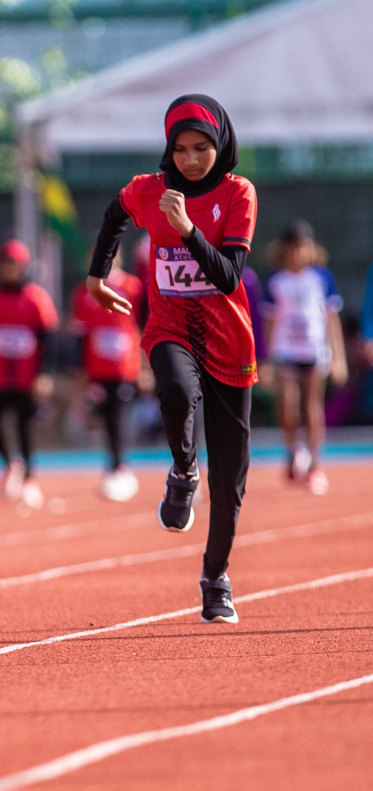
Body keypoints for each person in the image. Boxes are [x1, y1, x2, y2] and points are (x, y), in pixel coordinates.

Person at [87, 94, 257, 625]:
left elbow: (228, 275)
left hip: (230, 339)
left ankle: (215, 578)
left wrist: (187, 229)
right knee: (178, 391)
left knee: (230, 480)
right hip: (170, 327)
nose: (189, 159)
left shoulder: (238, 194)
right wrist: (98, 274)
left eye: (201, 147)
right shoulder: (150, 190)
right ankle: (183, 470)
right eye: (179, 149)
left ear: (220, 144)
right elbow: (116, 213)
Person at [264, 221, 347, 495]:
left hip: (314, 350)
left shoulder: (322, 278)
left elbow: (331, 318)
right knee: (288, 406)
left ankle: (315, 465)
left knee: (312, 408)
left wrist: (338, 358)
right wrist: (265, 359)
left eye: (304, 247)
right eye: (294, 248)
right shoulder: (277, 281)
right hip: (285, 351)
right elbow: (270, 321)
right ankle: (292, 449)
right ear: (285, 250)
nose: (299, 253)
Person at [0, 240, 59, 510]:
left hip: (27, 379)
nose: (9, 270)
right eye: (4, 265)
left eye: (14, 265)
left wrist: (44, 374)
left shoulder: (36, 298)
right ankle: (8, 463)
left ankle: (29, 480)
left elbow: (48, 340)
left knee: (26, 428)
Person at [69, 249, 144, 501]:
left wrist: (146, 365)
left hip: (125, 368)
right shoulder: (84, 290)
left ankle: (120, 467)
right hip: (97, 370)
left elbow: (143, 326)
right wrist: (80, 371)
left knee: (119, 417)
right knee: (103, 418)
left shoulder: (134, 287)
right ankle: (113, 466)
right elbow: (80, 334)